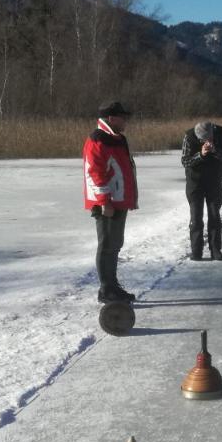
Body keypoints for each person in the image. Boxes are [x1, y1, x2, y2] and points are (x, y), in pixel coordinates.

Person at [83, 101, 138, 303]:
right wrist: (105, 201)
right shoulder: (98, 140)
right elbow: (95, 173)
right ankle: (107, 289)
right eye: (123, 117)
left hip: (118, 200)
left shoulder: (117, 139)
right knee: (106, 245)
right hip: (106, 203)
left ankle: (112, 286)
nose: (126, 121)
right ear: (112, 118)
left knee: (114, 245)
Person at [180, 120, 222, 261]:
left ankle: (215, 250)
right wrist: (201, 154)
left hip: (215, 181)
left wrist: (215, 150)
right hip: (195, 183)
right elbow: (185, 161)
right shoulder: (189, 136)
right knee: (196, 218)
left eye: (209, 139)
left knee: (214, 216)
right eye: (203, 140)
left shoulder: (221, 133)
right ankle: (196, 252)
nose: (207, 142)